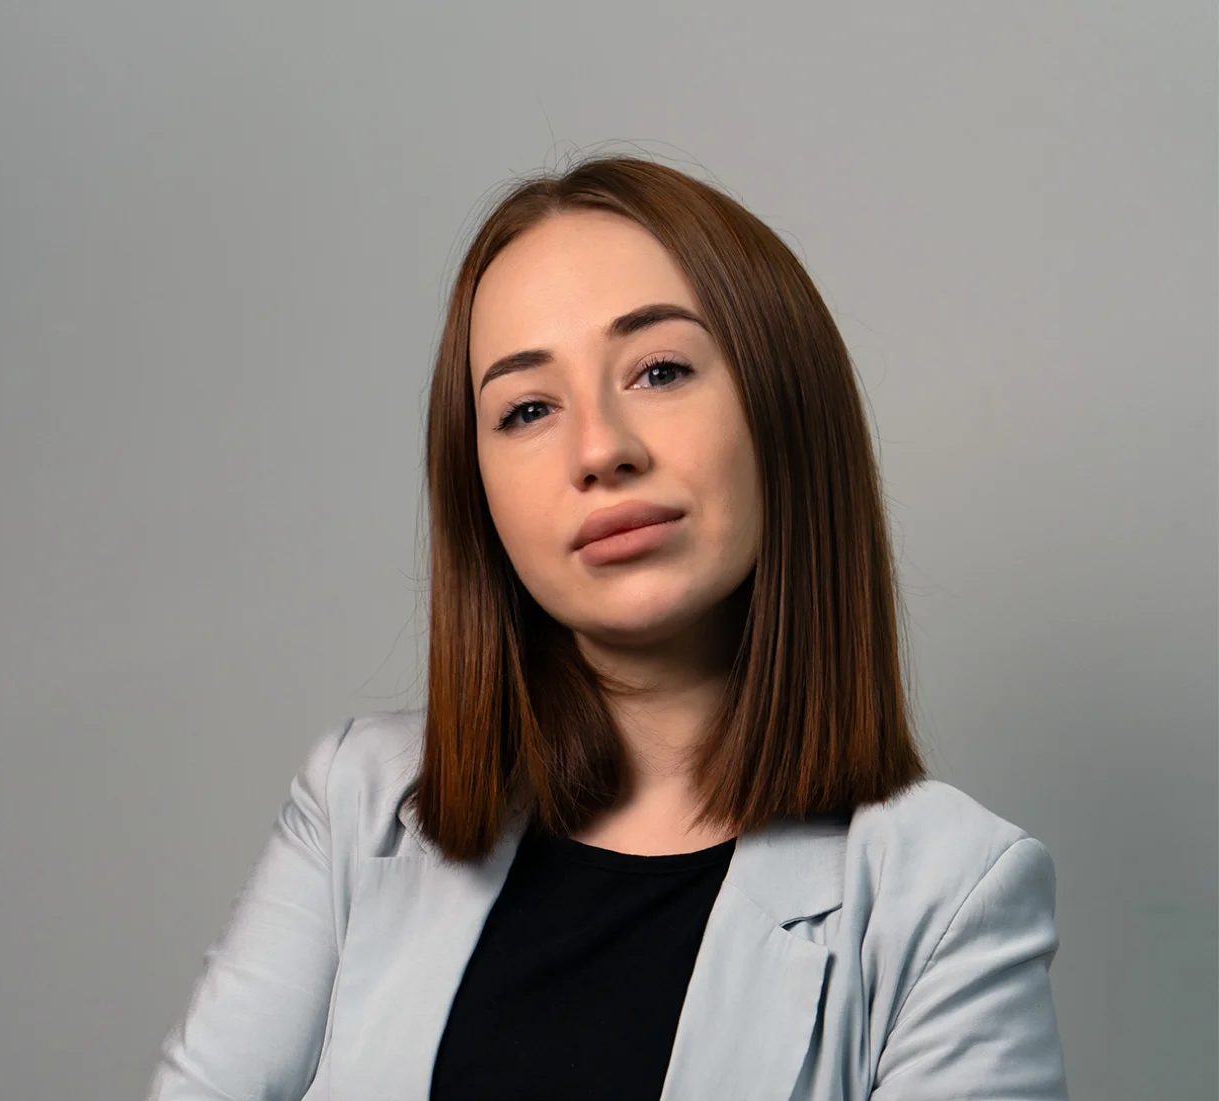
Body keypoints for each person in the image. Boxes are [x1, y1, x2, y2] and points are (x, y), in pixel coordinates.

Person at [145, 155, 1069, 1100]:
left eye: (660, 370)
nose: (599, 450)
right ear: (478, 493)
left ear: (787, 408)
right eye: (527, 409)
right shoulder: (356, 804)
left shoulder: (949, 896)